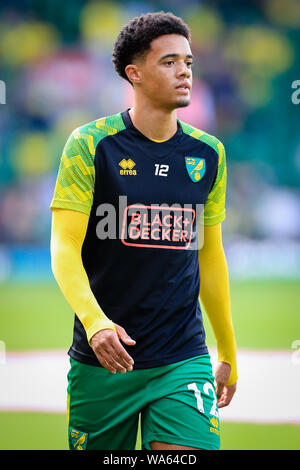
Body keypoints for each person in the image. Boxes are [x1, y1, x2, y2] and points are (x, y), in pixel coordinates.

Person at [50, 11, 237, 451]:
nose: (185, 71)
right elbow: (62, 248)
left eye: (188, 61)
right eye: (169, 62)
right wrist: (96, 325)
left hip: (182, 358)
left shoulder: (209, 154)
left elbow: (209, 255)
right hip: (103, 360)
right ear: (134, 73)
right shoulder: (90, 144)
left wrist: (226, 350)